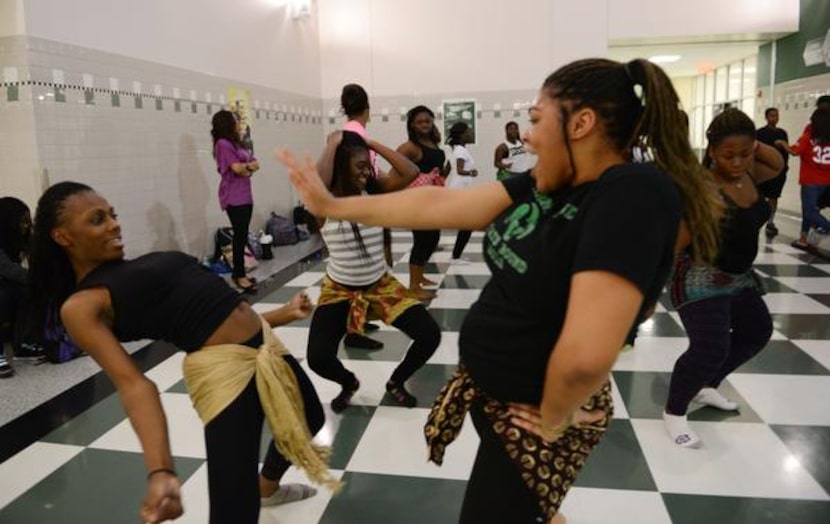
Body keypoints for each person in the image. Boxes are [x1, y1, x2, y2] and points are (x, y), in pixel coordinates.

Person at [280, 57, 721, 523]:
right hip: (495, 393)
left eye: (536, 119)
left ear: (582, 123)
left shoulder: (631, 191)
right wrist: (334, 205)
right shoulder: (553, 180)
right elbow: (441, 203)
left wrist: (552, 417)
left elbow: (586, 356)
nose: (528, 135)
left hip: (534, 415)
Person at [24, 181, 337, 523]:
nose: (114, 224)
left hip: (264, 345)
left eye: (112, 215)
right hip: (225, 375)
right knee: (234, 507)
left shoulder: (135, 265)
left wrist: (284, 314)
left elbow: (219, 311)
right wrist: (161, 472)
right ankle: (256, 493)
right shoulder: (82, 305)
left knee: (311, 419)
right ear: (63, 237)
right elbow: (134, 386)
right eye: (97, 219)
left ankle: (268, 487)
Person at [664, 108, 784, 448]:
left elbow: (777, 164)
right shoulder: (703, 188)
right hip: (699, 275)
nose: (737, 162)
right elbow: (675, 242)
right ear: (711, 151)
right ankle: (674, 413)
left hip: (739, 276)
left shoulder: (751, 174)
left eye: (745, 154)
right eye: (728, 155)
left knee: (757, 331)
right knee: (710, 346)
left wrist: (753, 145)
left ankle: (706, 385)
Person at [308, 130, 440, 412]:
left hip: (380, 286)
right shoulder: (325, 204)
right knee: (318, 358)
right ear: (342, 167)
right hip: (340, 290)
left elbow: (410, 170)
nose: (367, 172)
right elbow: (316, 181)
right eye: (360, 166)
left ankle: (396, 382)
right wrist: (332, 143)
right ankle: (348, 382)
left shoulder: (374, 193)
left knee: (430, 335)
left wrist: (367, 144)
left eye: (368, 165)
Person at [328, 83, 390, 350]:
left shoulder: (345, 133)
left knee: (360, 269)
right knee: (360, 268)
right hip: (357, 205)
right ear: (367, 108)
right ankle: (355, 330)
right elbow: (360, 172)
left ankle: (359, 322)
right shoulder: (357, 135)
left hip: (354, 203)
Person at [397, 106, 451, 299]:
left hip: (432, 198)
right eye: (419, 122)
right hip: (418, 201)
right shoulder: (410, 147)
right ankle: (413, 286)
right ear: (412, 125)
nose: (424, 125)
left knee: (433, 238)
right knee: (422, 240)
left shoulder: (433, 143)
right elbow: (396, 168)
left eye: (427, 121)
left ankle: (420, 276)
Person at [212, 109, 260, 293]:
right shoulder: (223, 144)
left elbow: (255, 163)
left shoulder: (235, 143)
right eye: (234, 121)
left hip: (245, 195)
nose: (237, 124)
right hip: (234, 196)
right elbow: (238, 168)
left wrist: (246, 167)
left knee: (242, 233)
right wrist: (247, 167)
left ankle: (240, 273)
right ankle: (239, 275)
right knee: (240, 235)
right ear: (226, 124)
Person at [781, 108, 830, 250]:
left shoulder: (808, 137)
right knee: (809, 210)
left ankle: (825, 227)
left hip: (810, 181)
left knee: (809, 212)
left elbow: (794, 151)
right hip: (827, 182)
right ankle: (803, 238)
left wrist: (782, 143)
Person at [0, 197, 34, 377]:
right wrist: (37, 279)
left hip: (5, 281)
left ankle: (22, 344)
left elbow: (36, 259)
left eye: (28, 222)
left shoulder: (19, 237)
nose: (26, 226)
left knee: (26, 291)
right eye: (22, 222)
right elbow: (7, 268)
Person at [447, 122, 478, 263]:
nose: (470, 133)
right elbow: (459, 170)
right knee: (468, 224)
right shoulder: (460, 150)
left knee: (467, 225)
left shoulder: (459, 149)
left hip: (461, 190)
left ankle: (456, 255)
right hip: (460, 191)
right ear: (461, 135)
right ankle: (455, 256)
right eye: (468, 131)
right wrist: (471, 172)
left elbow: (449, 169)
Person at [756, 107, 789, 236]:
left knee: (774, 196)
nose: (774, 118)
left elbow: (785, 151)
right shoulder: (759, 133)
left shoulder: (782, 133)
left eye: (776, 115)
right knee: (761, 196)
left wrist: (785, 166)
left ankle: (771, 221)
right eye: (772, 116)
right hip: (763, 171)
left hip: (779, 172)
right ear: (766, 117)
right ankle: (758, 219)